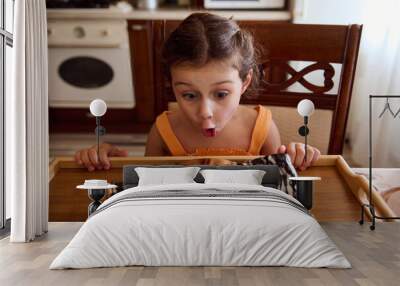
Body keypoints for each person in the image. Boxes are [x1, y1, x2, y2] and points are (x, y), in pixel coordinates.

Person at [75, 12, 320, 172]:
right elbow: (144, 189)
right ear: (172, 86)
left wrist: (295, 159)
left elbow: (276, 189)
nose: (205, 113)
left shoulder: (262, 127)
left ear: (245, 82)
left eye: (221, 94)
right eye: (190, 95)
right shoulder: (163, 131)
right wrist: (109, 159)